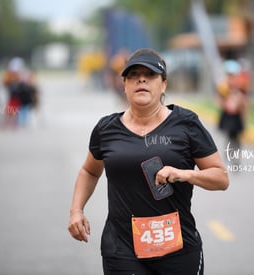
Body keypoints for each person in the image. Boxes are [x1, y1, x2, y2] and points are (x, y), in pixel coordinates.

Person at [68, 48, 229, 274]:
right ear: (124, 84)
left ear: (163, 84)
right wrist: (76, 210)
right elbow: (90, 171)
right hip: (122, 248)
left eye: (150, 74)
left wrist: (185, 174)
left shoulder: (186, 124)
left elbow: (221, 178)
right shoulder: (107, 129)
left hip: (178, 248)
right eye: (133, 75)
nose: (141, 79)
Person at [218, 60, 249, 165]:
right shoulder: (224, 87)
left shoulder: (240, 87)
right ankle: (230, 154)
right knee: (230, 136)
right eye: (229, 75)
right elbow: (220, 101)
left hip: (237, 116)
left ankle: (236, 156)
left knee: (237, 138)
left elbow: (244, 104)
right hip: (228, 115)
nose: (231, 77)